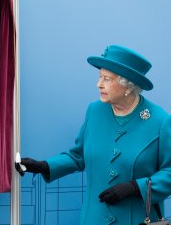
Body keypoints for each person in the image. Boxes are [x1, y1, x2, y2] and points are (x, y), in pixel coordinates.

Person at [15, 45, 171, 225]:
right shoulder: (95, 111)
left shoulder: (160, 121)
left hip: (136, 219)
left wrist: (135, 187)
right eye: (99, 77)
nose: (99, 84)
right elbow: (78, 156)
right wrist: (44, 166)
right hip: (94, 218)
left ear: (127, 85)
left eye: (107, 79)